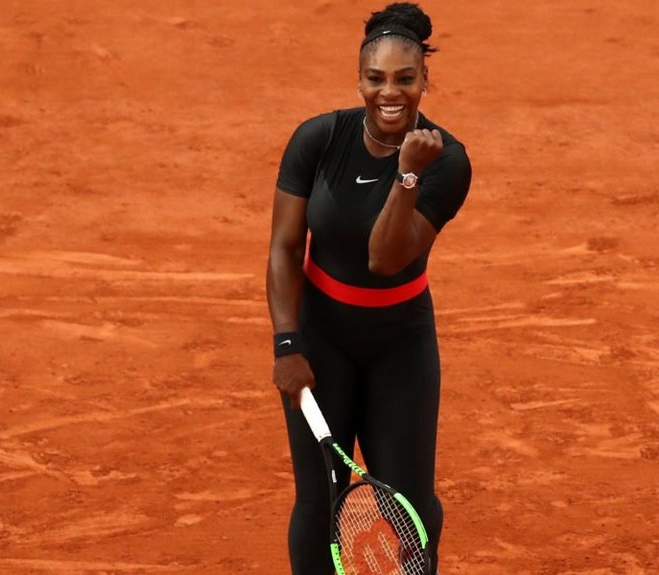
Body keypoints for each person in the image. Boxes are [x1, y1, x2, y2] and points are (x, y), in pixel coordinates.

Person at [265, 2, 471, 573]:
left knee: (411, 509)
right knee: (318, 505)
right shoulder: (317, 139)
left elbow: (386, 258)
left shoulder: (447, 161)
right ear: (359, 81)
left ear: (425, 80)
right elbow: (284, 248)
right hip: (320, 340)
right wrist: (287, 343)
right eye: (376, 78)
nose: (390, 93)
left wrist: (407, 173)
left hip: (400, 344)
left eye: (405, 79)